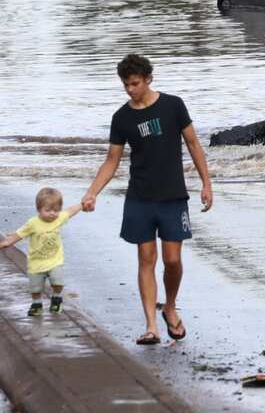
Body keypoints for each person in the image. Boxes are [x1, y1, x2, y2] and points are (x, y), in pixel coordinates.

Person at [81, 54, 213, 346]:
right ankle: (152, 326)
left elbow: (193, 143)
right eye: (126, 85)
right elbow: (111, 161)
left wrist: (206, 183)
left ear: (148, 79)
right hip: (140, 198)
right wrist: (92, 192)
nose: (130, 90)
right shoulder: (122, 118)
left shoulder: (173, 105)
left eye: (135, 84)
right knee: (146, 259)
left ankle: (169, 306)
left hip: (173, 197)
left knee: (173, 260)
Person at [0, 187, 82, 316]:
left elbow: (70, 211)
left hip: (55, 260)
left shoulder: (58, 218)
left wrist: (82, 204)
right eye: (48, 210)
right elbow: (20, 233)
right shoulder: (33, 223)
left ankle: (57, 297)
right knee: (35, 287)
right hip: (36, 262)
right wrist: (9, 242)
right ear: (39, 209)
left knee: (57, 281)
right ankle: (37, 304)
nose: (52, 214)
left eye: (56, 210)